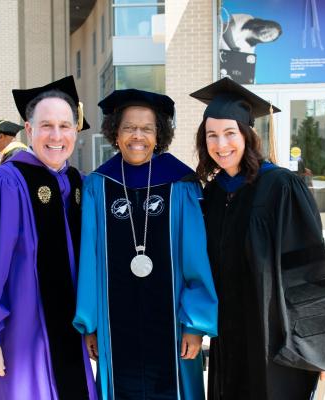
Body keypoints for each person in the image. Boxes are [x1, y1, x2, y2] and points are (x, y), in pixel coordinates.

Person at [190, 77, 325, 400]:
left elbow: (309, 267)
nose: (221, 144)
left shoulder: (281, 186)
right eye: (212, 135)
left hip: (272, 332)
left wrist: (315, 343)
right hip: (228, 332)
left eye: (230, 133)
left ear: (247, 135)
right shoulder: (212, 194)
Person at [0, 76, 97, 400]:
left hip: (69, 338)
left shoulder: (81, 185)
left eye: (65, 126)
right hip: (15, 341)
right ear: (29, 129)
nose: (56, 136)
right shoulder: (0, 185)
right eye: (46, 126)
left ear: (76, 130)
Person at [74, 89, 218, 400]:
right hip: (116, 327)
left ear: (159, 134)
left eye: (147, 129)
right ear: (115, 132)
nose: (137, 136)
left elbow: (196, 260)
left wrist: (195, 324)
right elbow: (90, 260)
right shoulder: (99, 185)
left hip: (171, 326)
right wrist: (91, 323)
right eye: (128, 128)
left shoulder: (181, 184)